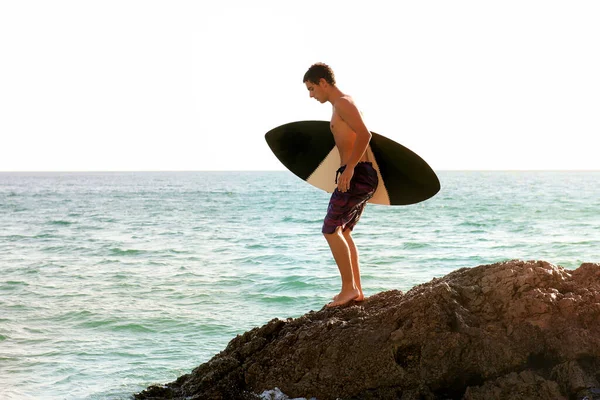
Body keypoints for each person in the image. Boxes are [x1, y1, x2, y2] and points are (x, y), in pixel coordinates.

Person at [303, 63, 379, 308]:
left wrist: (350, 168)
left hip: (356, 175)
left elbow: (365, 135)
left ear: (324, 82)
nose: (311, 95)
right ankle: (355, 290)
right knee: (343, 231)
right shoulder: (341, 105)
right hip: (358, 174)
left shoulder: (343, 103)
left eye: (312, 88)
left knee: (330, 229)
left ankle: (348, 288)